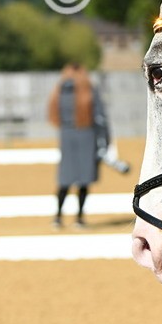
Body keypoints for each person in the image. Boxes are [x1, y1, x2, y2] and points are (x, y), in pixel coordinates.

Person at [47, 63, 109, 229]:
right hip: (86, 135)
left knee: (65, 179)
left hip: (67, 136)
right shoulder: (88, 90)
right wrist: (105, 140)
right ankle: (79, 218)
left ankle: (58, 217)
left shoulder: (59, 91)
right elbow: (100, 117)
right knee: (84, 179)